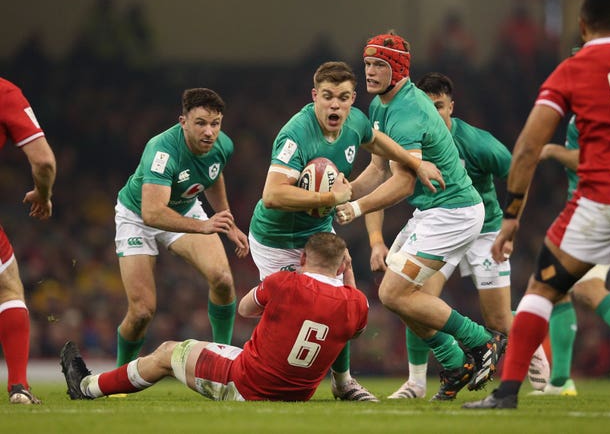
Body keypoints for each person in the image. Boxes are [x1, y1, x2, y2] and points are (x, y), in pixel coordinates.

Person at [463, 0, 610, 410]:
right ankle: (558, 379)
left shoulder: (572, 70)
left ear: (581, 27)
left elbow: (527, 147)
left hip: (601, 199)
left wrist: (511, 217)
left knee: (543, 287)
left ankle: (507, 393)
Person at [248, 61, 443, 402]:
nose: (334, 105)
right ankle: (264, 376)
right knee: (291, 309)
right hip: (276, 238)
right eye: (327, 97)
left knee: (335, 303)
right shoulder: (295, 133)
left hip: (318, 230)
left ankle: (343, 383)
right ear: (315, 97)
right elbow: (272, 194)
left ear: (353, 98)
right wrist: (330, 196)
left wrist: (414, 163)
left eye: (342, 97)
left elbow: (378, 143)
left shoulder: (355, 122)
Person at [337, 32, 504, 397]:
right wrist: (344, 191)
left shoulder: (408, 112)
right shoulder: (382, 104)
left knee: (394, 293)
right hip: (432, 214)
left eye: (379, 65)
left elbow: (401, 183)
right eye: (367, 64)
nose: (369, 72)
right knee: (406, 298)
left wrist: (356, 206)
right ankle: (456, 363)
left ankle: (480, 342)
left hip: (452, 213)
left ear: (397, 70)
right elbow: (378, 169)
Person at [373, 72, 549, 401]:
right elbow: (382, 172)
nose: (433, 112)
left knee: (498, 319)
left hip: (486, 229)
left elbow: (518, 174)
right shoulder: (411, 136)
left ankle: (523, 344)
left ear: (451, 107)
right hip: (441, 228)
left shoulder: (478, 142)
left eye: (439, 106)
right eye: (426, 105)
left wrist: (511, 225)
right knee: (413, 298)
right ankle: (418, 381)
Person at [61, 232, 369, 402]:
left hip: (249, 385)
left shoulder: (285, 282)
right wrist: (349, 274)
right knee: (222, 349)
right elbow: (352, 330)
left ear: (302, 258)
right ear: (343, 266)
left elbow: (245, 310)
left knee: (168, 351)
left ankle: (87, 387)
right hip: (299, 393)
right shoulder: (357, 303)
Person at [114, 88, 249, 367]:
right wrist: (203, 226)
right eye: (200, 123)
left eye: (215, 124)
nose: (209, 132)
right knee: (141, 312)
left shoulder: (222, 145)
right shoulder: (162, 151)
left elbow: (213, 174)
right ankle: (120, 374)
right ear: (183, 121)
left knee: (223, 279)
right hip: (136, 217)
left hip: (185, 208)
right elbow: (152, 213)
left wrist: (226, 218)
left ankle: (223, 358)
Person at [532, 115, 610, 396]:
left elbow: (591, 162)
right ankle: (559, 381)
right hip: (605, 204)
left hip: (598, 209)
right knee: (560, 288)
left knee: (584, 288)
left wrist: (555, 151)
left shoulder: (591, 112)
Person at [0, 77, 57, 404]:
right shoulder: (6, 92)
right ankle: (19, 386)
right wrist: (44, 194)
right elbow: (44, 161)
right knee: (7, 285)